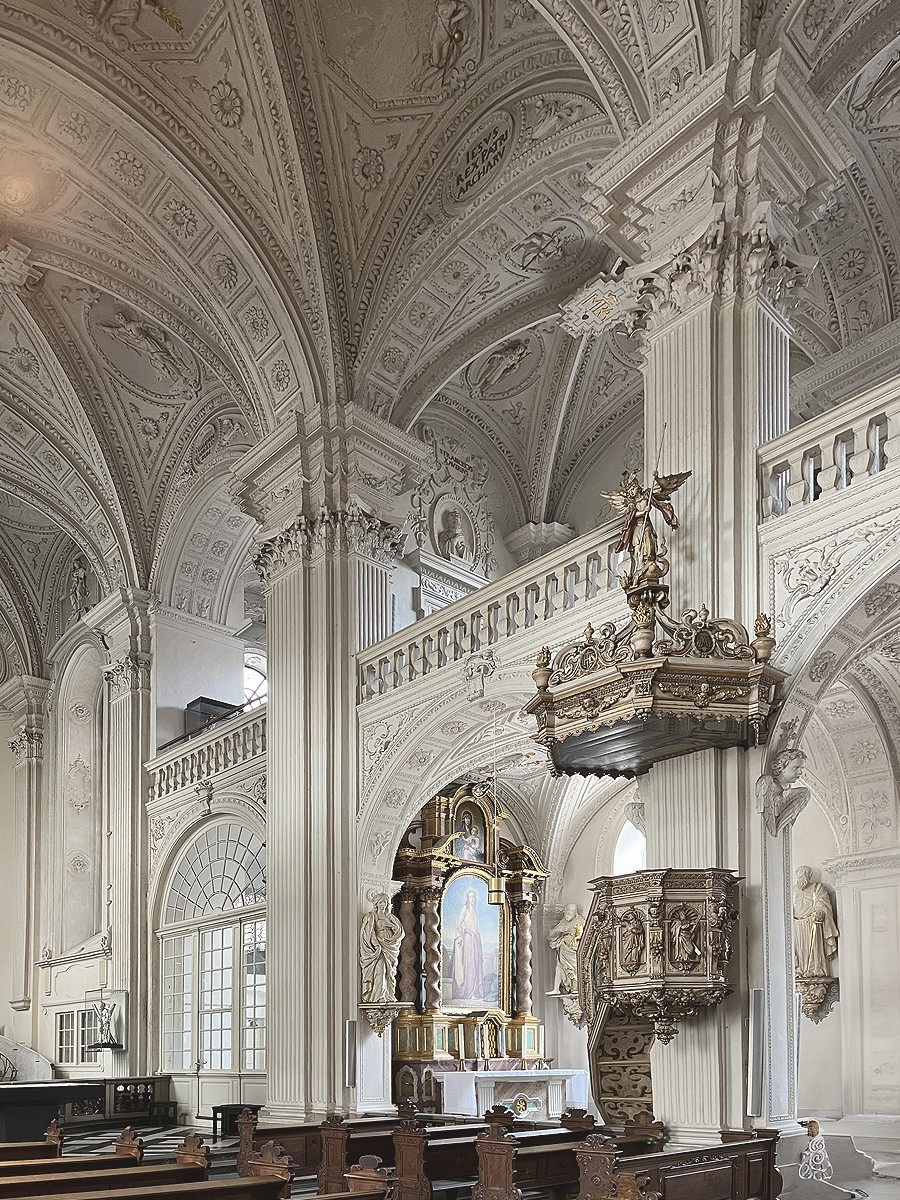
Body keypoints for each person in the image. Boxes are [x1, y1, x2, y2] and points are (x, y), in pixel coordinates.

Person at [793, 866, 838, 979]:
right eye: (801, 873)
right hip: (796, 925)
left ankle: (815, 970)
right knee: (799, 950)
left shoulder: (817, 887)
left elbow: (822, 903)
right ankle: (799, 971)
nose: (803, 876)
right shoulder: (792, 891)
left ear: (809, 876)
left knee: (813, 950)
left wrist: (819, 912)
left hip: (812, 922)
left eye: (806, 873)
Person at [359, 894, 404, 1004]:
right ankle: (378, 995)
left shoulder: (391, 917)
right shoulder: (371, 916)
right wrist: (376, 944)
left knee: (390, 972)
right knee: (380, 969)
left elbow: (400, 932)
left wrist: (390, 927)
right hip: (378, 947)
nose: (383, 905)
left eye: (385, 902)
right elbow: (369, 933)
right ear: (376, 904)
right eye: (380, 902)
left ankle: (389, 994)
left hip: (390, 946)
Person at [452, 888, 484, 1000]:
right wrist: (462, 937)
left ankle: (475, 991)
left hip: (476, 938)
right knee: (470, 964)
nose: (472, 899)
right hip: (468, 938)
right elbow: (459, 923)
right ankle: (469, 992)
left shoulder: (474, 910)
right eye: (470, 897)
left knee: (476, 963)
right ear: (467, 898)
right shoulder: (465, 908)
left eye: (473, 897)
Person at [548, 903, 584, 993]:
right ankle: (556, 989)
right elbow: (550, 935)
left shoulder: (580, 920)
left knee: (574, 968)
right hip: (563, 947)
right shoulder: (563, 922)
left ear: (575, 912)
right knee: (559, 967)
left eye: (570, 910)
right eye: (566, 910)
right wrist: (559, 930)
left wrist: (570, 932)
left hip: (574, 948)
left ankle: (576, 988)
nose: (567, 912)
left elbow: (582, 935)